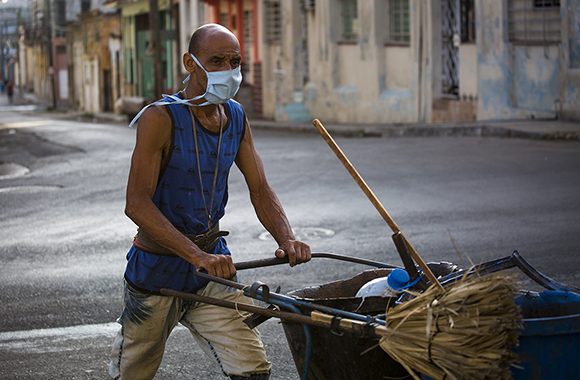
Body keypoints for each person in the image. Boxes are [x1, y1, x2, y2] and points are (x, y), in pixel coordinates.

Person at [108, 24, 311, 380]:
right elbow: (136, 204)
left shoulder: (235, 116)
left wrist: (286, 238)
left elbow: (260, 188)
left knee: (252, 369)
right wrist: (196, 256)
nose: (228, 70)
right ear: (190, 62)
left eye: (234, 61)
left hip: (213, 269)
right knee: (132, 374)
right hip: (157, 271)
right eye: (215, 61)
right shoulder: (160, 118)